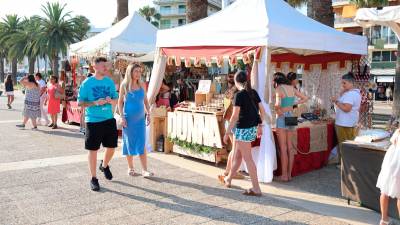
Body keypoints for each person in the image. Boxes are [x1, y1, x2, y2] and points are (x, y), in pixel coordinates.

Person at [220, 70, 266, 196]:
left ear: (236, 81)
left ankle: (256, 188)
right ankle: (229, 178)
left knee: (248, 159)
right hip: (251, 129)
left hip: (242, 130)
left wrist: (227, 132)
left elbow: (234, 117)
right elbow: (262, 111)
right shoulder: (253, 93)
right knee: (238, 155)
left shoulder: (239, 95)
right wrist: (260, 125)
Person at [78, 57, 119, 191]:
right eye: (103, 66)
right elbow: (80, 103)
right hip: (93, 120)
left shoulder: (109, 82)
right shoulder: (87, 83)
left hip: (108, 119)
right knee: (93, 150)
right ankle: (94, 178)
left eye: (106, 66)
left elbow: (115, 100)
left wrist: (110, 100)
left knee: (112, 148)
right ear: (94, 67)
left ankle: (105, 165)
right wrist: (95, 102)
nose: (105, 68)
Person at [118, 63, 153, 177]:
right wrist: (122, 117)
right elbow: (119, 102)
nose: (138, 74)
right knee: (129, 143)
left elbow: (146, 102)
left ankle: (145, 170)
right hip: (128, 120)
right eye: (136, 71)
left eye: (139, 71)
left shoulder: (142, 84)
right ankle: (130, 167)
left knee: (141, 144)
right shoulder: (124, 85)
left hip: (140, 121)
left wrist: (148, 113)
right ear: (130, 72)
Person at [274, 72, 308, 182]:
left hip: (282, 117)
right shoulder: (291, 88)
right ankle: (289, 174)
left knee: (283, 148)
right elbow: (305, 98)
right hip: (292, 116)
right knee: (290, 147)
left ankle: (284, 176)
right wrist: (293, 104)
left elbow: (277, 104)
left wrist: (278, 110)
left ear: (276, 81)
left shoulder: (279, 88)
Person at [331, 72, 361, 165]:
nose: (342, 85)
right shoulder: (353, 93)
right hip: (348, 122)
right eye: (342, 83)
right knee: (347, 145)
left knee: (344, 145)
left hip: (345, 123)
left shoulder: (351, 94)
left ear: (351, 83)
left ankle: (345, 165)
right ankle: (346, 164)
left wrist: (336, 101)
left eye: (344, 83)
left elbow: (346, 109)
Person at [220, 74, 245, 180]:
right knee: (235, 149)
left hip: (228, 122)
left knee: (234, 148)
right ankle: (230, 171)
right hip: (233, 123)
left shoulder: (227, 93)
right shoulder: (237, 95)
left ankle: (228, 170)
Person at [376, 128, 400, 225]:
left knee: (385, 191)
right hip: (395, 164)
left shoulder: (397, 131)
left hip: (389, 164)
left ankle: (384, 220)